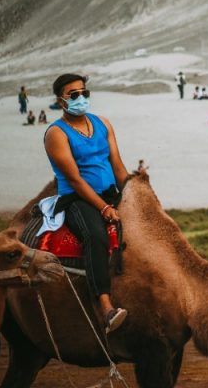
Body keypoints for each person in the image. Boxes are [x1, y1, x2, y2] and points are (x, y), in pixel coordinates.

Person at [42, 73, 129, 331]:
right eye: (74, 95)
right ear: (61, 100)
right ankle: (105, 307)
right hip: (77, 199)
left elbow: (117, 164)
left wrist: (134, 192)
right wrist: (103, 208)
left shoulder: (102, 123)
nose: (81, 98)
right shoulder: (56, 134)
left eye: (84, 93)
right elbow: (75, 179)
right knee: (96, 236)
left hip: (109, 192)